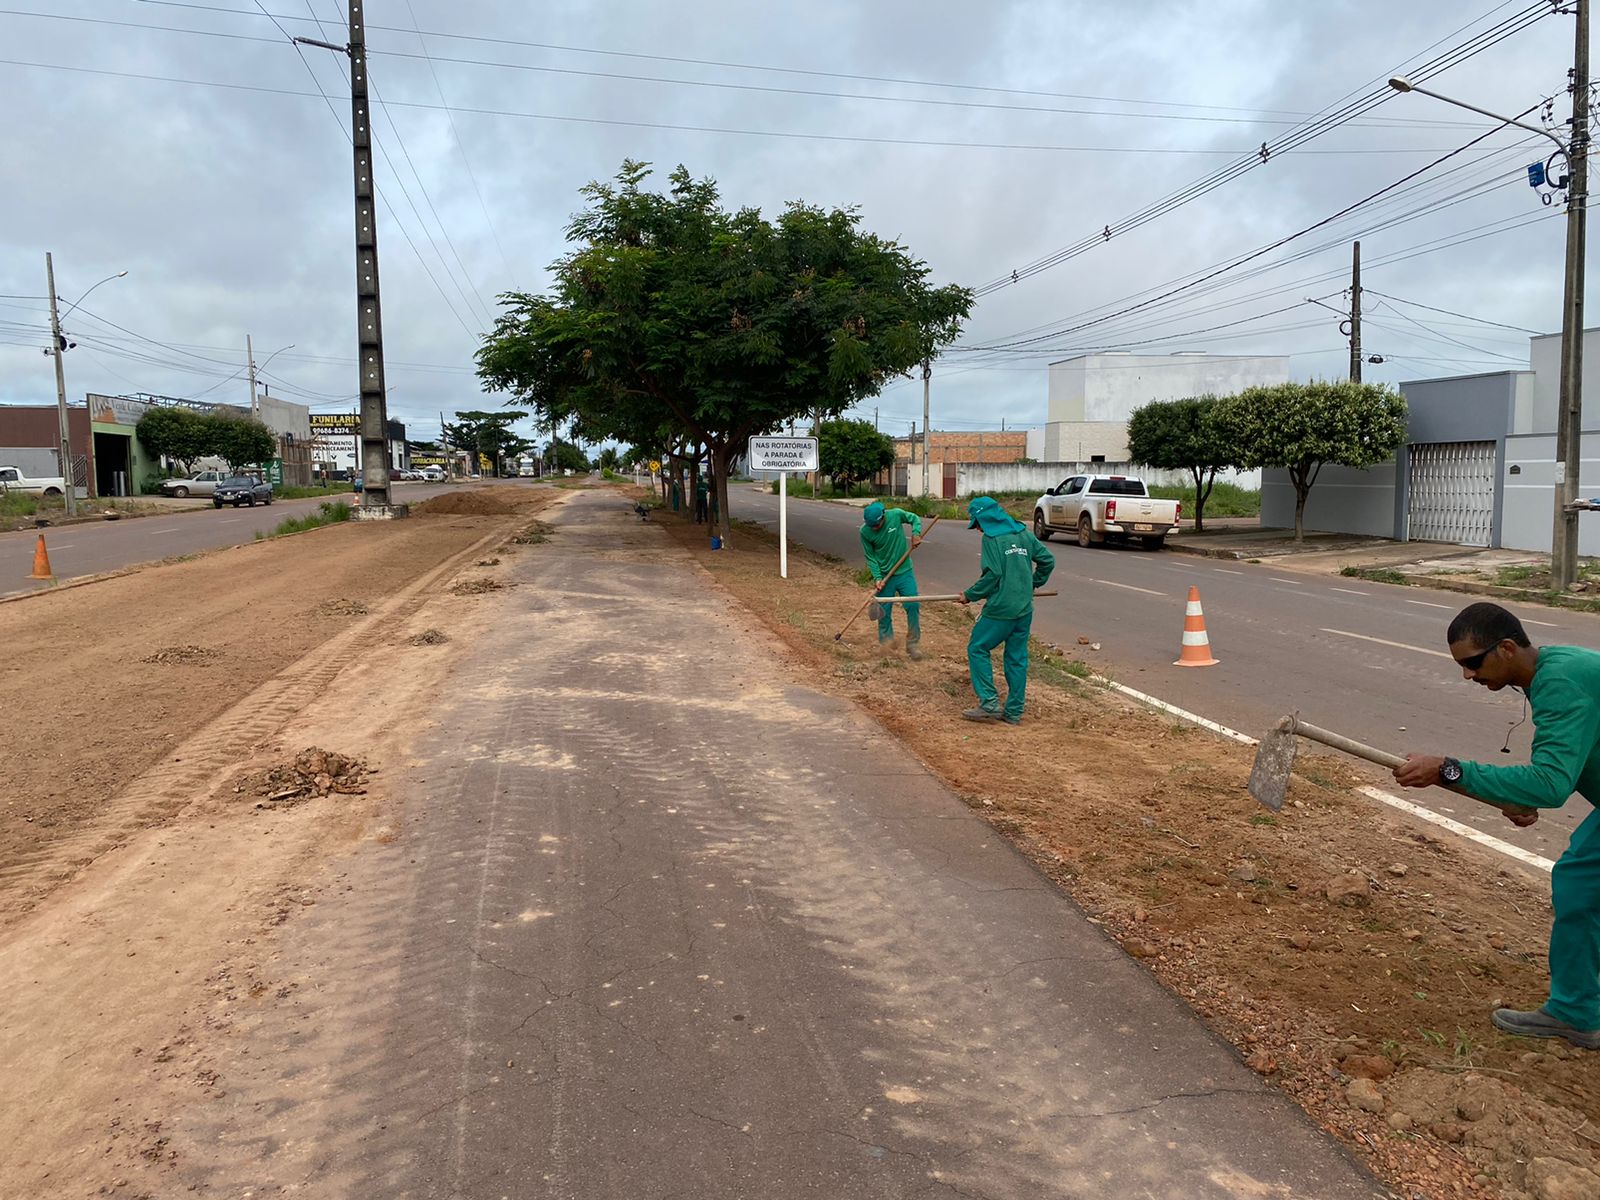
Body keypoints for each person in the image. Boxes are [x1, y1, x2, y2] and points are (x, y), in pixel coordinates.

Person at [1393, 601, 1600, 1049]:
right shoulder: (1554, 670)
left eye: (1472, 663)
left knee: (1582, 889)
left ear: (1506, 648)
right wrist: (1518, 794)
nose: (1467, 675)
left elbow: (1549, 783)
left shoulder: (1561, 681)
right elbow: (1562, 766)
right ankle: (1575, 1011)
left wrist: (1447, 769)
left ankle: (1576, 1009)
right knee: (1580, 886)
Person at [956, 496, 1054, 725]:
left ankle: (989, 702)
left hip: (1001, 609)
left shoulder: (992, 539)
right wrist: (1033, 583)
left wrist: (969, 595)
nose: (977, 528)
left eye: (977, 522)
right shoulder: (1023, 533)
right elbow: (1048, 560)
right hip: (1024, 609)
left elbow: (993, 575)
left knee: (978, 647)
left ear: (984, 519)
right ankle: (1013, 713)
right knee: (1017, 658)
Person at [859, 500, 925, 660]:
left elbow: (915, 518)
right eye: (871, 526)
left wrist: (916, 533)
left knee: (913, 605)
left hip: (904, 572)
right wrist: (877, 577)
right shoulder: (865, 532)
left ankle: (913, 644)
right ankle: (887, 645)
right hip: (884, 576)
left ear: (883, 517)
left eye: (876, 525)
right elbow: (871, 557)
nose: (874, 528)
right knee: (883, 613)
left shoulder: (895, 515)